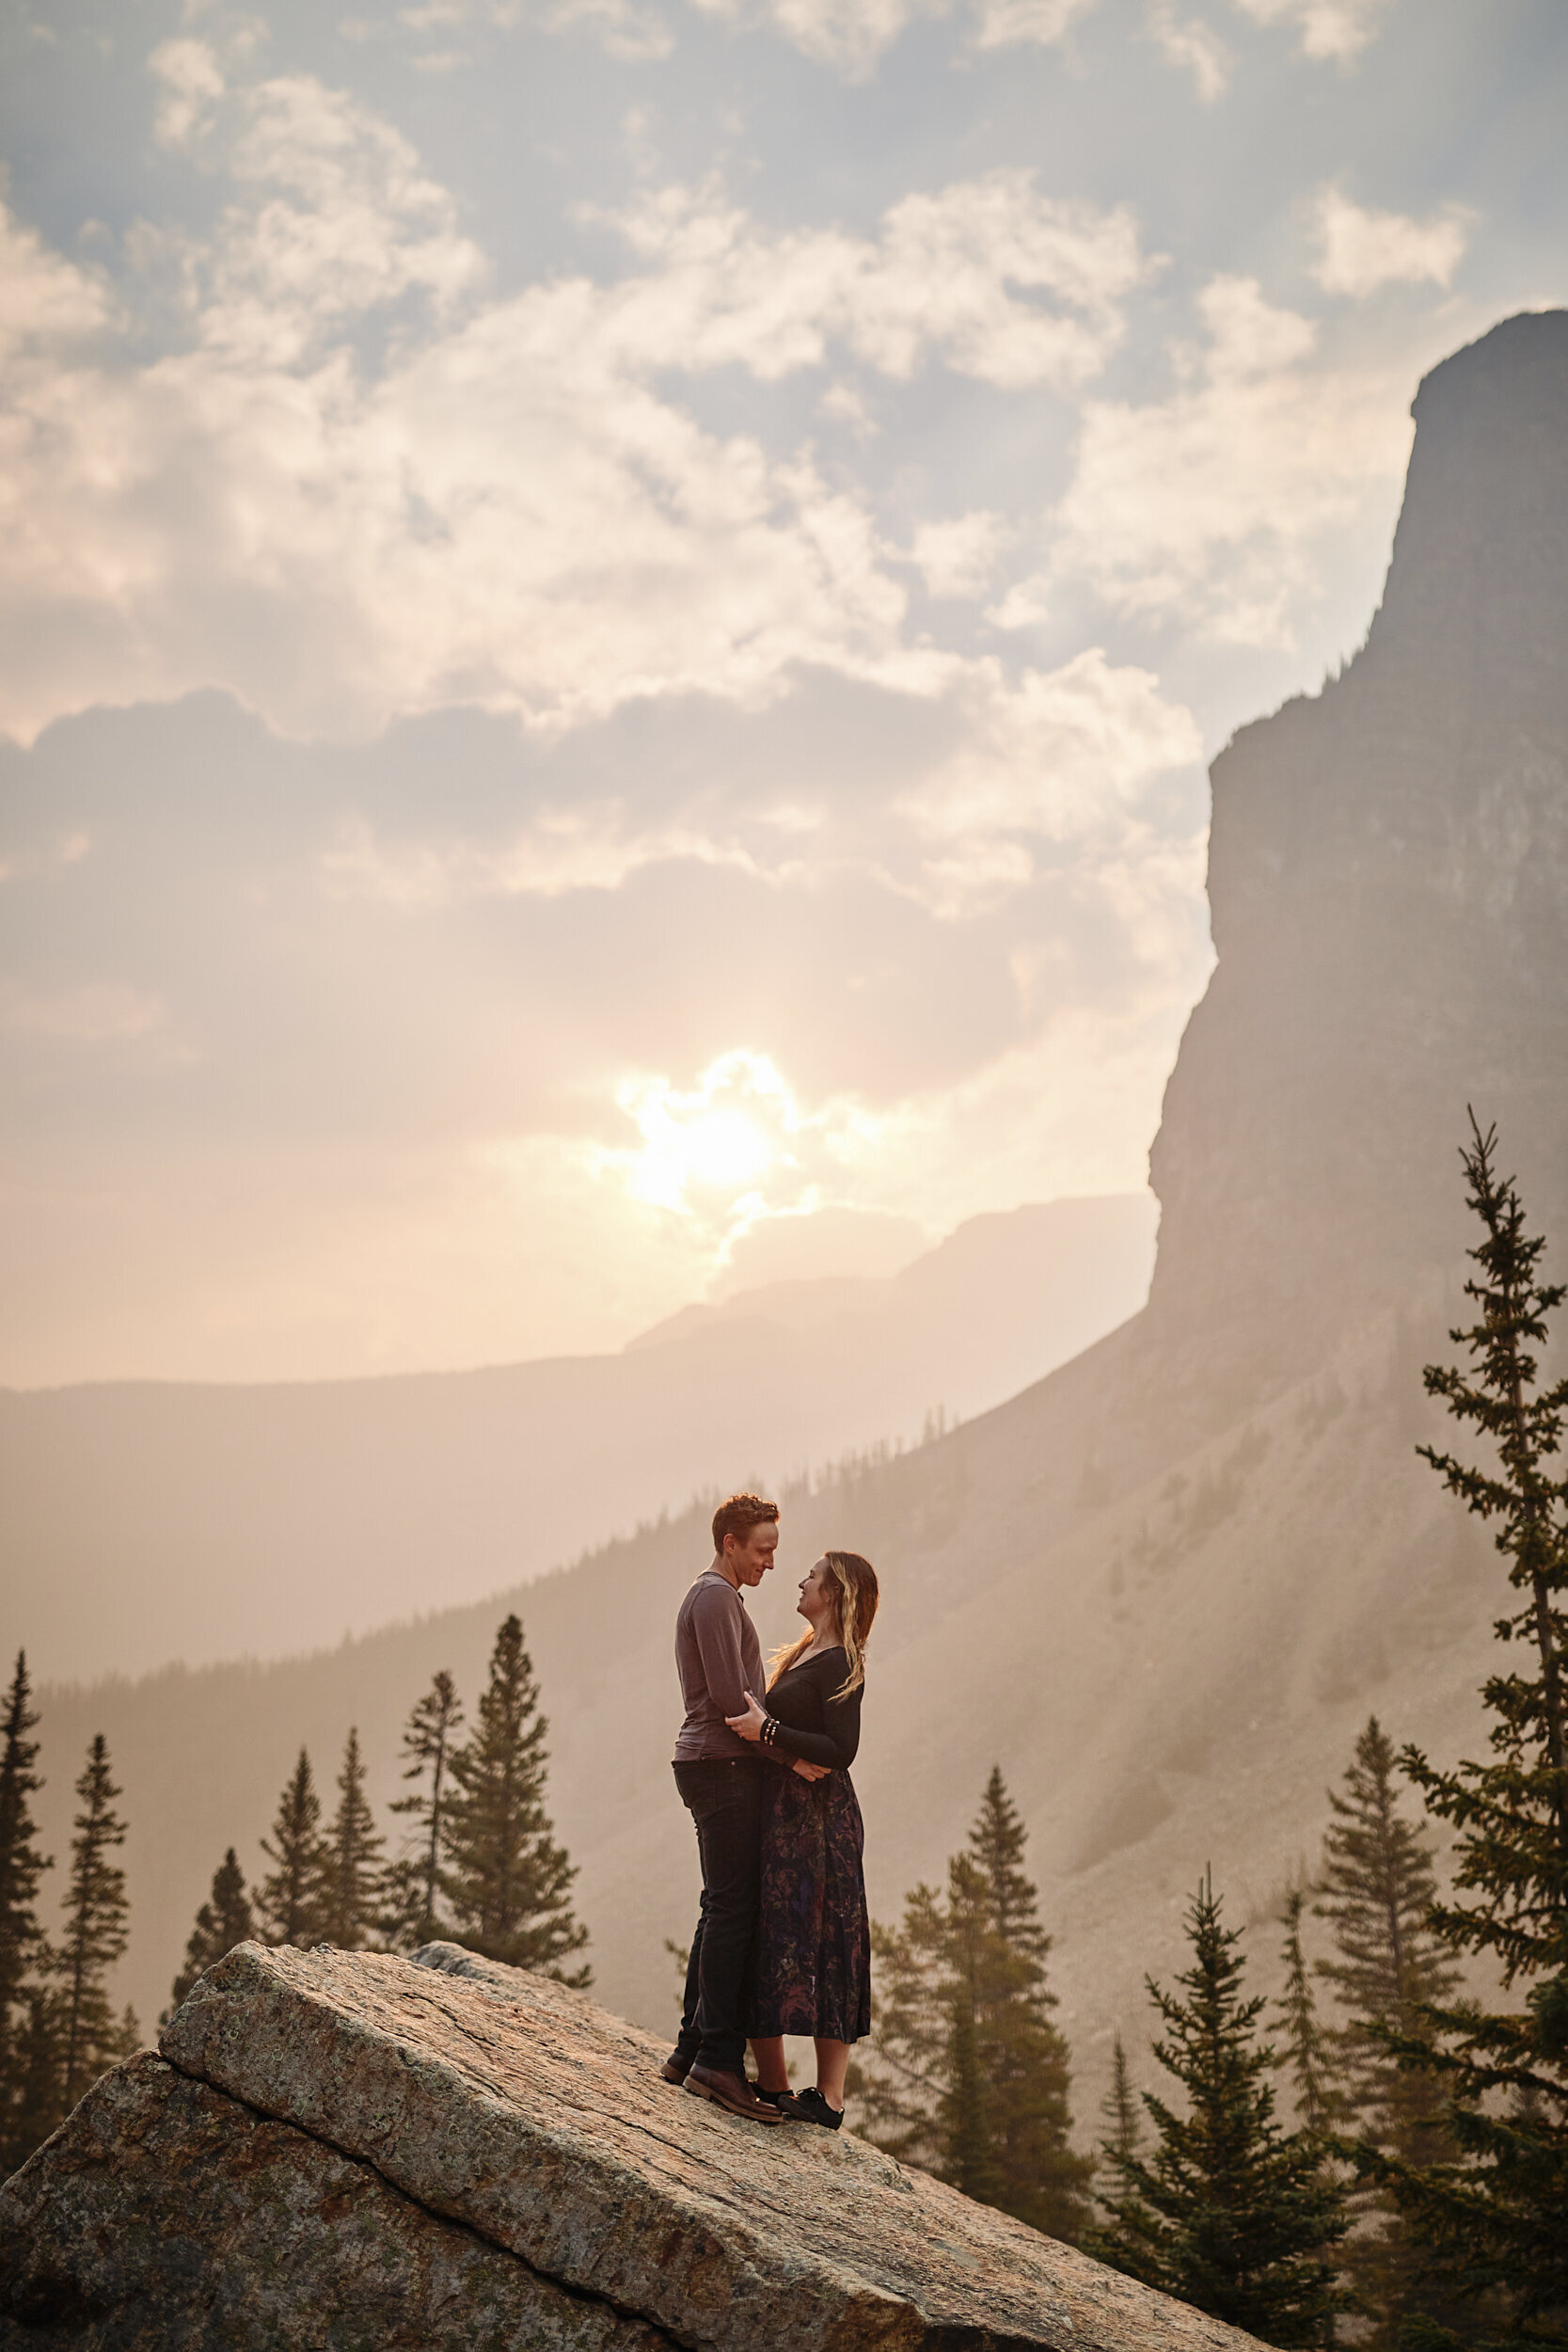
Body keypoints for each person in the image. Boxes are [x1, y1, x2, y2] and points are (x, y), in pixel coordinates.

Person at [666, 1491, 823, 2124]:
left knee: (720, 1909)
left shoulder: (720, 1599)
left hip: (717, 1766)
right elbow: (734, 1704)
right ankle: (718, 2063)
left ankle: (691, 2050)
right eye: (761, 1550)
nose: (770, 1563)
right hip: (720, 1768)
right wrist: (789, 1758)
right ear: (729, 1542)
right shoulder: (711, 1598)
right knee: (734, 1913)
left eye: (774, 1551)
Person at [724, 1549, 879, 2131]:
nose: (799, 1581)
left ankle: (829, 2099)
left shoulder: (841, 1661)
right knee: (769, 1933)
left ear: (834, 1592)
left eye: (811, 1577)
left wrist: (768, 1729)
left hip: (820, 1824)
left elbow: (842, 1751)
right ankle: (775, 2083)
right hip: (784, 1814)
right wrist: (780, 1746)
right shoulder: (806, 1653)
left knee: (828, 1942)